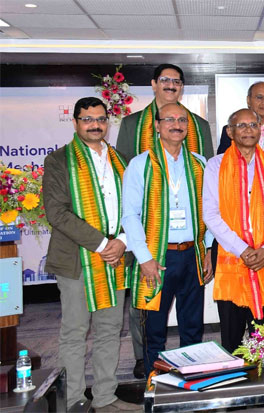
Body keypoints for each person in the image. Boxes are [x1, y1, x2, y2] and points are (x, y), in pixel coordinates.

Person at [42, 97, 141, 412]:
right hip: (77, 260)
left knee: (110, 330)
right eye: (87, 119)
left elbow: (137, 208)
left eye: (100, 119)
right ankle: (73, 401)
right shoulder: (59, 161)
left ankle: (105, 397)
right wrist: (102, 244)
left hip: (116, 259)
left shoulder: (122, 160)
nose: (95, 125)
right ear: (75, 123)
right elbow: (57, 212)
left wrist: (122, 241)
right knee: (75, 332)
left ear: (107, 122)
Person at [116, 64, 213, 377]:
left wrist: (209, 249)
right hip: (156, 257)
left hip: (192, 255)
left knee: (192, 327)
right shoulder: (139, 165)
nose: (176, 125)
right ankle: (154, 386)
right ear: (157, 126)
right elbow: (129, 215)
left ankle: (191, 382)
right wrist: (143, 258)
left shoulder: (199, 164)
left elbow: (209, 210)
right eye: (169, 120)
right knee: (154, 330)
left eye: (181, 120)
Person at [203, 108, 264, 353]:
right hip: (231, 258)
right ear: (230, 132)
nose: (248, 130)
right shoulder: (215, 166)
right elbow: (211, 214)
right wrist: (243, 249)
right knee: (232, 338)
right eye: (241, 125)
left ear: (260, 130)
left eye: (253, 125)